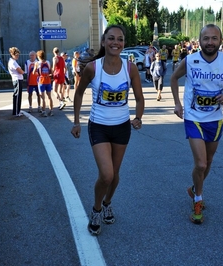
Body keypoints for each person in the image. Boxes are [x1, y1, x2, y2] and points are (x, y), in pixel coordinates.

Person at [71, 25, 144, 236]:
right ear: (104, 42)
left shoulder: (130, 68)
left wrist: (138, 117)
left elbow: (139, 97)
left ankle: (107, 203)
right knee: (106, 174)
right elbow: (78, 93)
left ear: (123, 43)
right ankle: (95, 210)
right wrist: (76, 121)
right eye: (111, 38)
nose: (116, 42)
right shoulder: (93, 68)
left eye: (120, 39)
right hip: (99, 127)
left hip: (121, 127)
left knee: (115, 174)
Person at [170, 24, 223, 224]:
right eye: (206, 38)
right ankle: (198, 201)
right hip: (194, 117)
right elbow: (173, 78)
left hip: (215, 119)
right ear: (200, 40)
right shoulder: (190, 60)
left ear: (220, 41)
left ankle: (195, 189)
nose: (210, 42)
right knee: (201, 163)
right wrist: (178, 104)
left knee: (209, 163)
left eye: (214, 38)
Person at [33, 50, 54, 117]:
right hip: (48, 80)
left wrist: (38, 73)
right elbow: (51, 70)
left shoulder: (37, 63)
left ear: (38, 56)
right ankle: (51, 111)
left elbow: (34, 72)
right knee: (49, 97)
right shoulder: (48, 62)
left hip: (41, 81)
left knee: (42, 98)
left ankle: (44, 111)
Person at [8, 47, 24, 116]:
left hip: (18, 79)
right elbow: (20, 71)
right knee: (17, 96)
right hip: (17, 79)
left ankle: (17, 111)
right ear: (12, 54)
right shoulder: (13, 62)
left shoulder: (13, 62)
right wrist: (23, 71)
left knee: (18, 95)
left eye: (18, 55)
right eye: (16, 55)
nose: (18, 56)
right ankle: (16, 112)